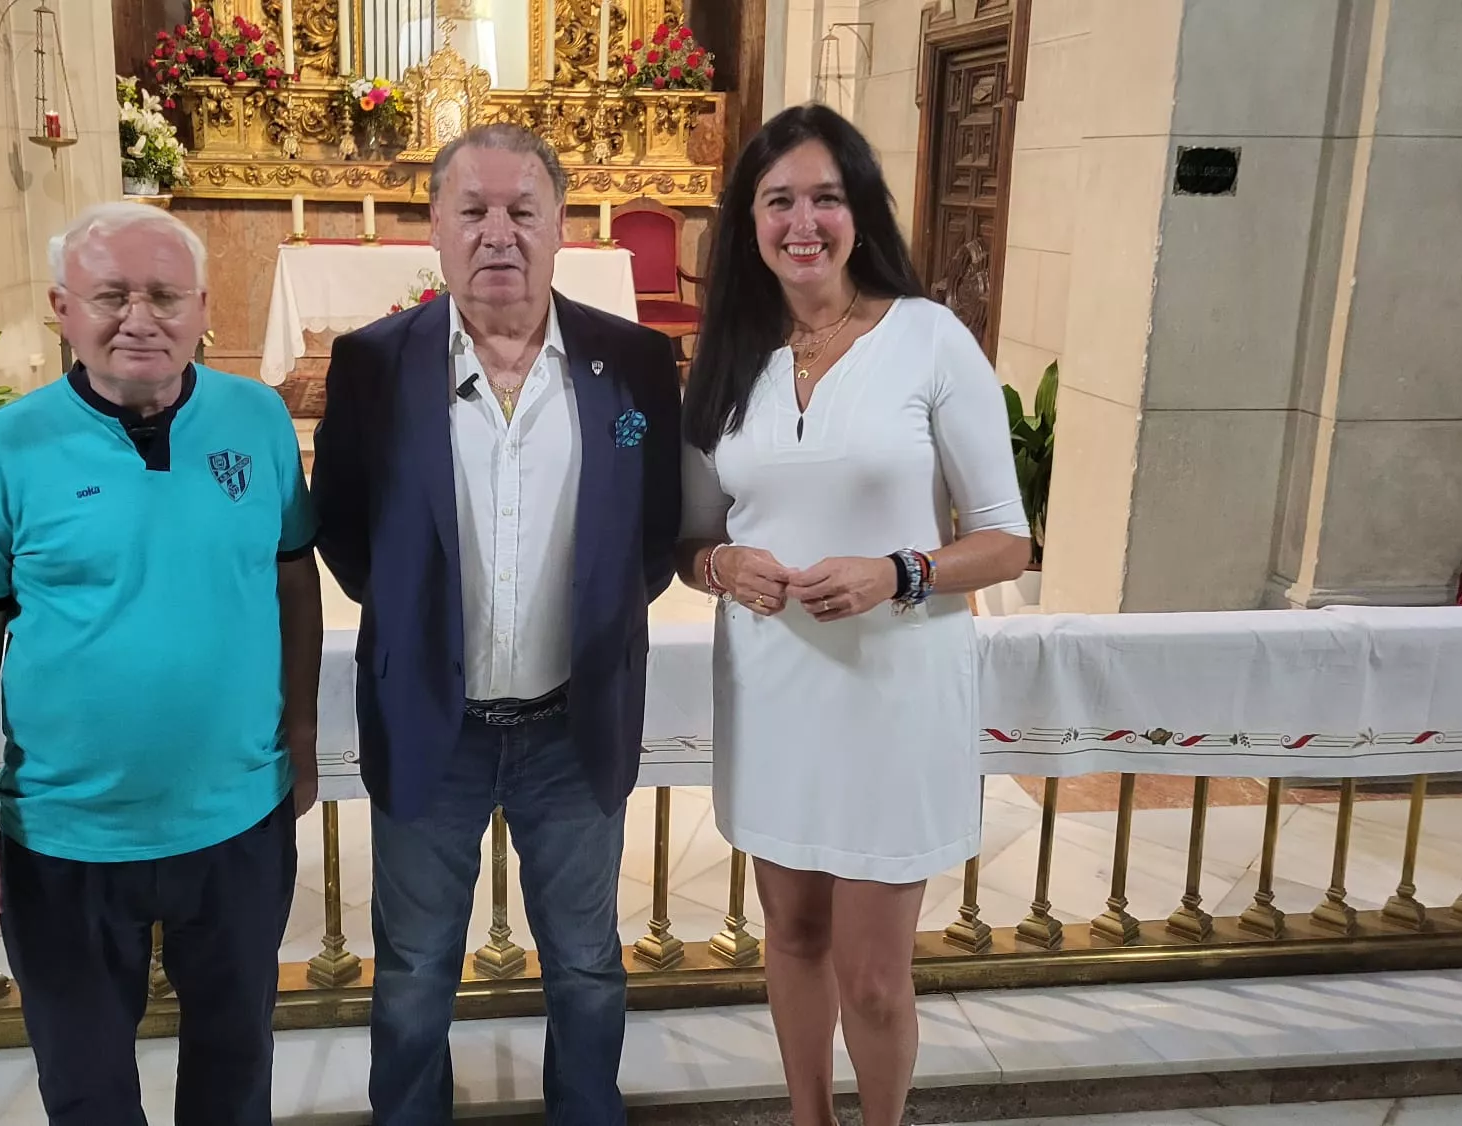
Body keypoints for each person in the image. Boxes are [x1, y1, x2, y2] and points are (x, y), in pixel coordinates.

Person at [310, 123, 681, 1125]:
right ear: (433, 226)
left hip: (572, 724)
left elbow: (652, 537)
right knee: (415, 970)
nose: (498, 233)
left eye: (522, 210)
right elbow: (343, 531)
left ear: (562, 226)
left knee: (587, 964)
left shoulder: (633, 365)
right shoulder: (374, 365)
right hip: (433, 723)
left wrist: (593, 622)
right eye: (472, 210)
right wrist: (420, 630)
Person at [0, 200, 323, 1125]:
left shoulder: (257, 419)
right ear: (62, 307)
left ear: (202, 308)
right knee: (87, 1088)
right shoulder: (6, 444)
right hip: (65, 835)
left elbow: (293, 584)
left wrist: (300, 733)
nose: (139, 318)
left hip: (234, 818)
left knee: (233, 1077)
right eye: (110, 296)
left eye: (163, 296)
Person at [676, 104, 1031, 1126]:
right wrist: (717, 562)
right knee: (788, 929)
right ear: (748, 222)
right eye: (777, 199)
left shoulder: (927, 339)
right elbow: (694, 537)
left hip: (892, 683)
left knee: (872, 971)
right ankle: (807, 1117)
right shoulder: (731, 352)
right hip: (772, 681)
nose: (802, 221)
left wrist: (900, 570)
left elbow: (1007, 540)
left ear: (859, 211)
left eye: (824, 197)